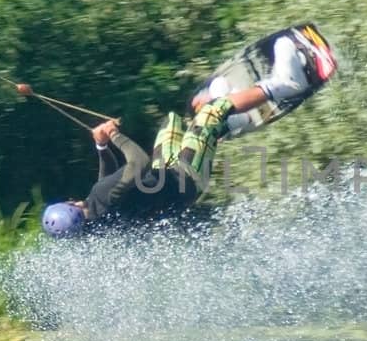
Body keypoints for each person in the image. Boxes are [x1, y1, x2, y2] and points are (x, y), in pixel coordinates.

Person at [41, 36, 313, 236]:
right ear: (70, 206)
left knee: (172, 122)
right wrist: (113, 135)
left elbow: (112, 182)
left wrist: (102, 148)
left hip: (171, 178)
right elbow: (137, 163)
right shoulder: (99, 199)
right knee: (210, 113)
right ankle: (287, 83)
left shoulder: (98, 220)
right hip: (186, 177)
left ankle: (232, 117)